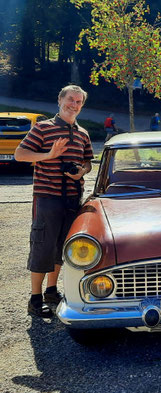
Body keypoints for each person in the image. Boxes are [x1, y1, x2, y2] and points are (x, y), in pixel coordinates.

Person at [14, 84, 94, 318]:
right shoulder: (42, 128)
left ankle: (51, 292)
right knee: (42, 245)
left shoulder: (82, 133)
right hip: (47, 197)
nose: (74, 105)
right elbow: (20, 155)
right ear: (60, 100)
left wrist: (81, 171)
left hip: (72, 198)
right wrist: (48, 156)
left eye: (79, 102)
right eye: (71, 99)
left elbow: (88, 161)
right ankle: (35, 298)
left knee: (62, 247)